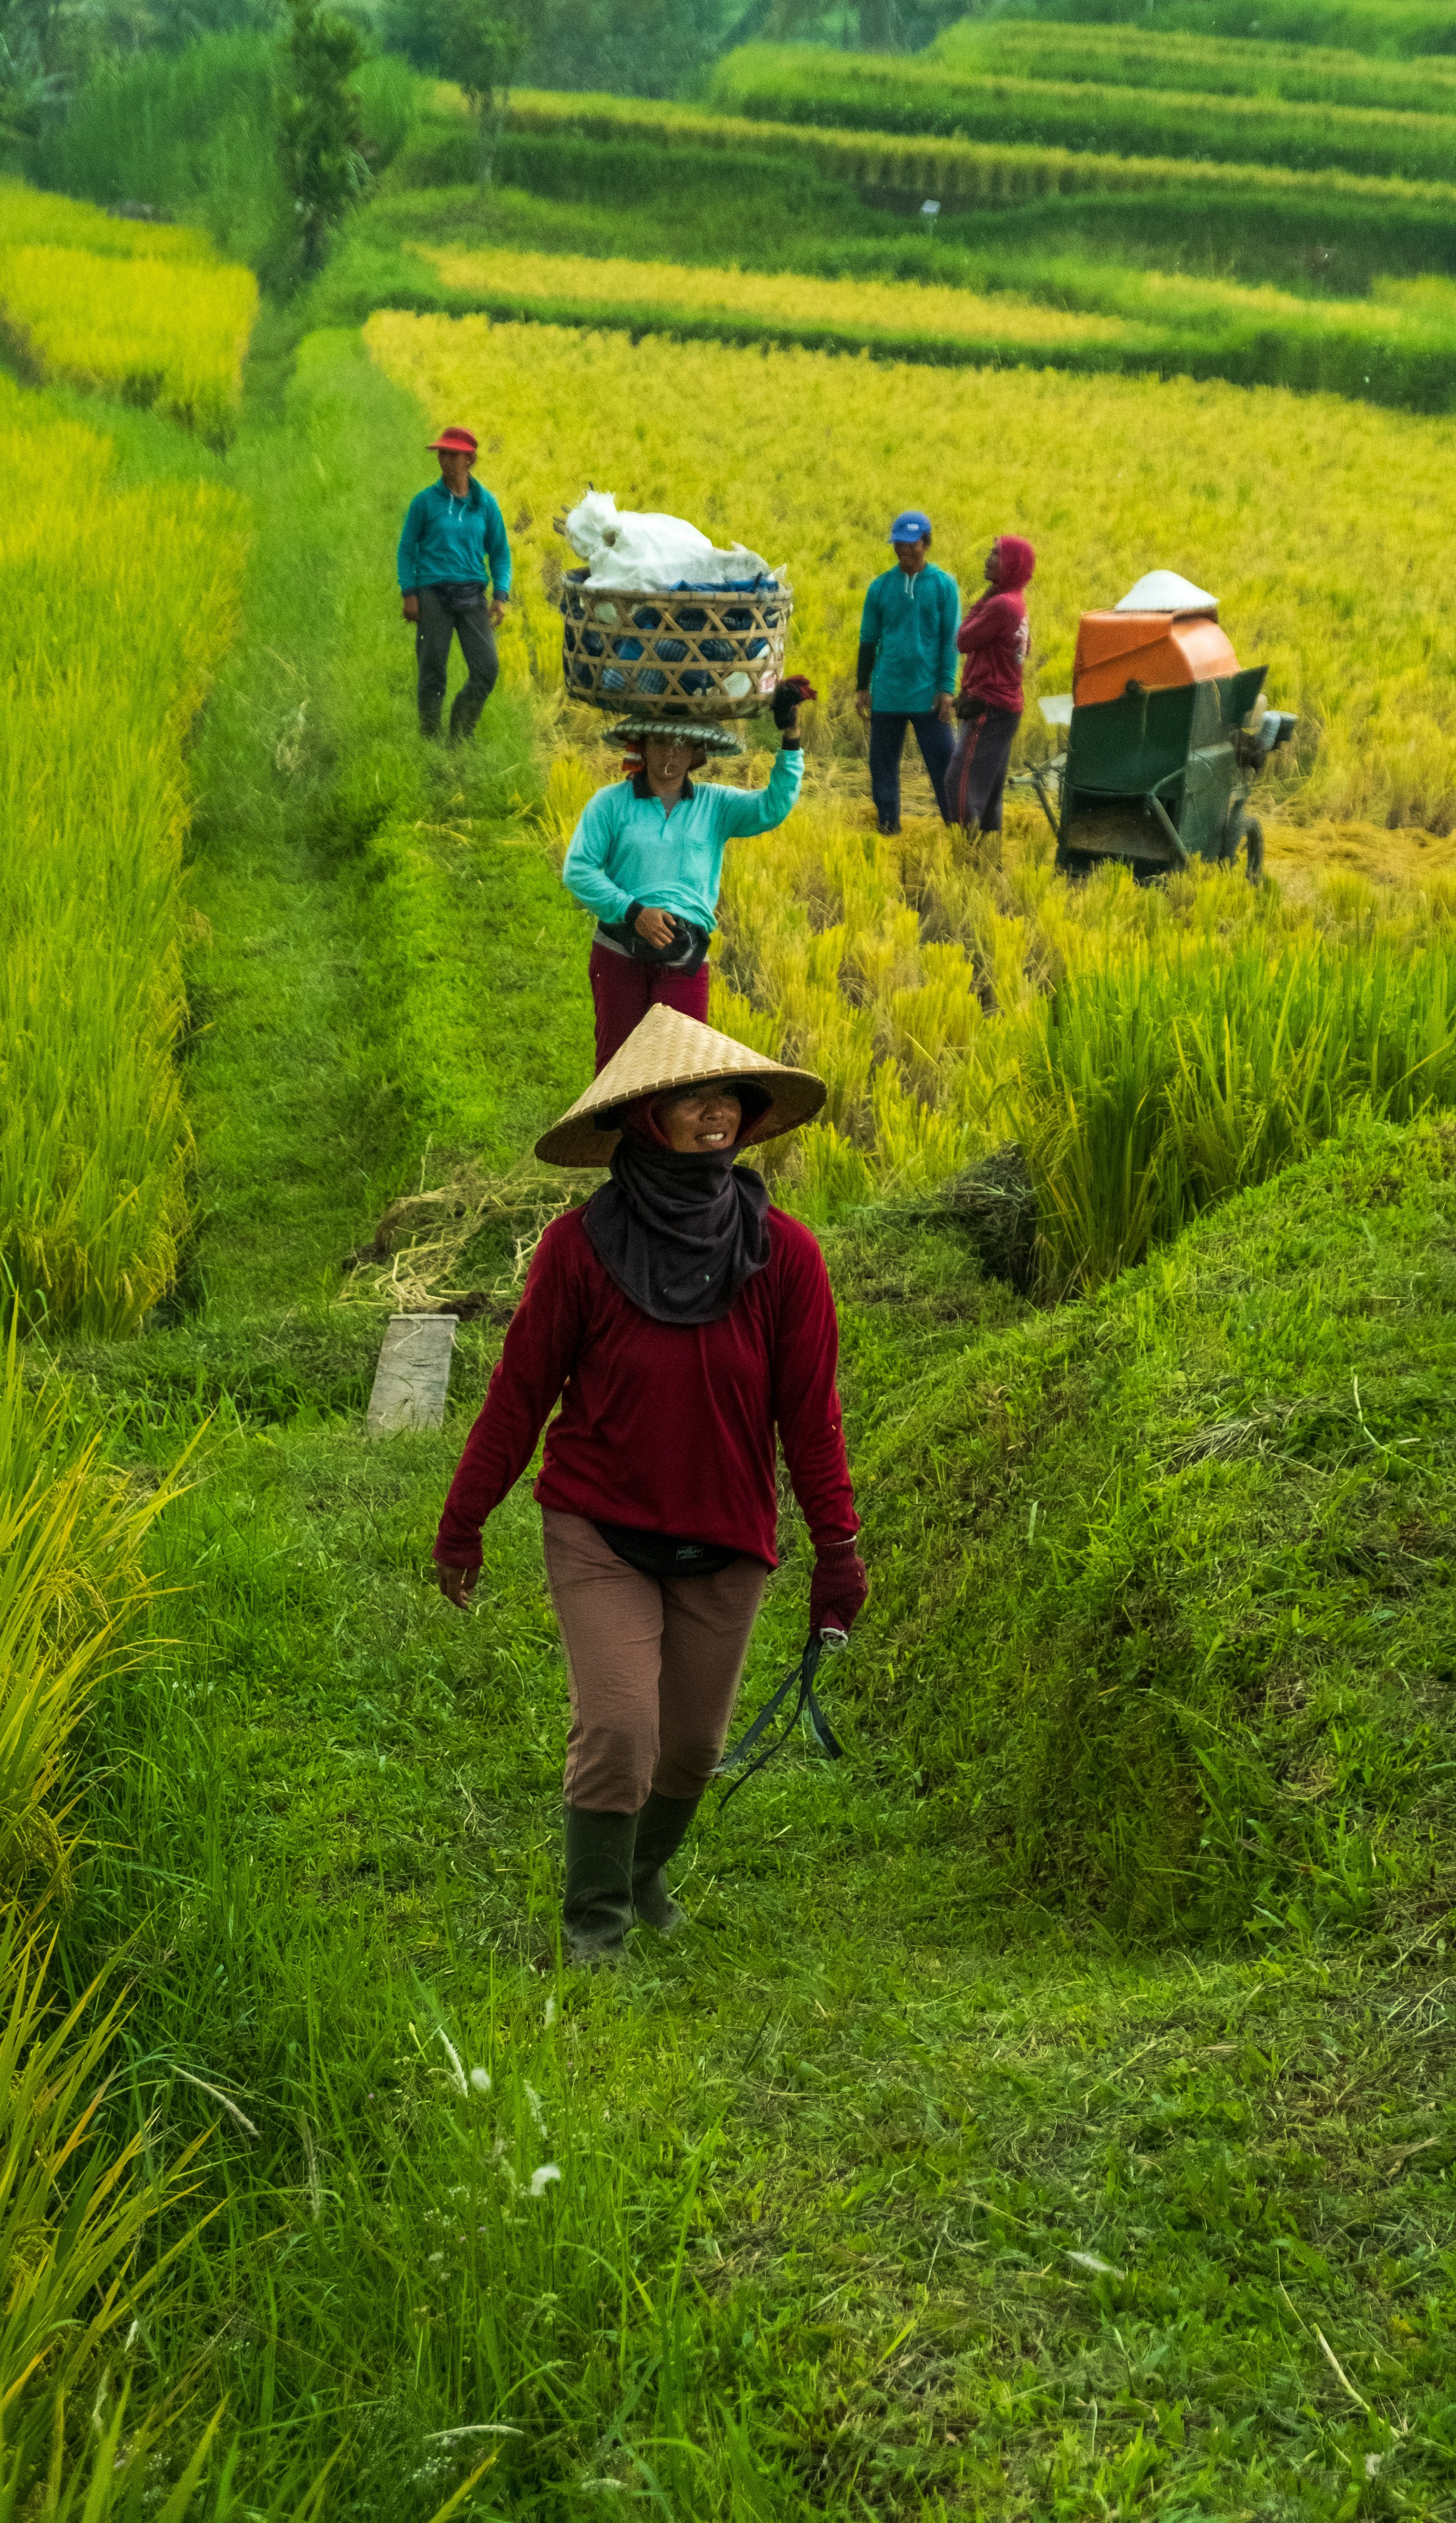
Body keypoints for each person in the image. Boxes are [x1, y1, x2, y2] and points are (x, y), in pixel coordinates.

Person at [432, 1006, 869, 1968]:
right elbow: (519, 1396)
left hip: (727, 1532)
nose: (715, 1114)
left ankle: (639, 1875)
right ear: (643, 1117)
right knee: (622, 1727)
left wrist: (837, 1551)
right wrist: (463, 1523)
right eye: (690, 1099)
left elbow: (811, 1415)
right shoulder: (578, 1250)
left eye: (728, 1098)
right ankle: (593, 1925)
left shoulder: (787, 1256)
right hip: (600, 1525)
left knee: (691, 1748)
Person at [562, 679, 813, 1073]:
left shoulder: (716, 804)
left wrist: (791, 737)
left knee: (681, 1070)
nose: (670, 752)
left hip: (684, 954)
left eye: (681, 743)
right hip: (619, 949)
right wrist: (634, 912)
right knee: (617, 1065)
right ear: (642, 746)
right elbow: (578, 869)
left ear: (697, 752)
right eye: (660, 741)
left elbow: (773, 806)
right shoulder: (610, 804)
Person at [397, 426, 513, 743]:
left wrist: (500, 595)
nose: (444, 460)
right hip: (432, 594)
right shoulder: (424, 502)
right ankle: (430, 739)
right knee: (432, 670)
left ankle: (459, 735)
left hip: (473, 596)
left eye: (452, 454)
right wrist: (410, 593)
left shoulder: (486, 504)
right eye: (442, 453)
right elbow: (406, 551)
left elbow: (500, 553)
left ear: (470, 460)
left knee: (486, 670)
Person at [854, 509, 960, 835]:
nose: (903, 550)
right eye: (898, 543)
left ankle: (958, 831)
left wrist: (946, 688)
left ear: (926, 543)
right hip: (887, 693)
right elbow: (868, 641)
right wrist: (862, 687)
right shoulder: (880, 587)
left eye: (911, 543)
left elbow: (950, 641)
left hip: (928, 695)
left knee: (945, 766)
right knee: (882, 767)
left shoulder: (943, 585)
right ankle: (888, 829)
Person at [945, 535, 1036, 836]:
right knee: (987, 790)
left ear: (1012, 564)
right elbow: (1025, 648)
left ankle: (967, 853)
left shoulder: (1001, 605)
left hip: (988, 707)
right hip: (1006, 708)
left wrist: (982, 601)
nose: (988, 558)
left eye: (997, 554)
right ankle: (987, 853)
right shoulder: (1017, 602)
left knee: (960, 783)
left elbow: (963, 641)